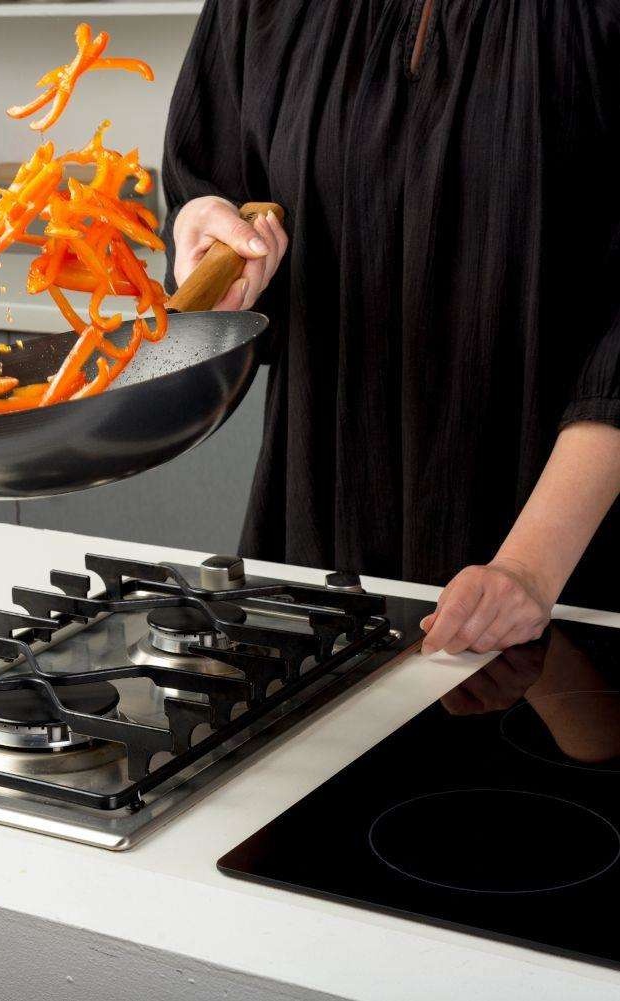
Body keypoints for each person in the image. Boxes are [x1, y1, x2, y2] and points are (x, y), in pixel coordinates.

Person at [162, 0, 620, 653]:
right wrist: (204, 238)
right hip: (319, 555)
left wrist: (528, 566)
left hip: (566, 579)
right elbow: (211, 189)